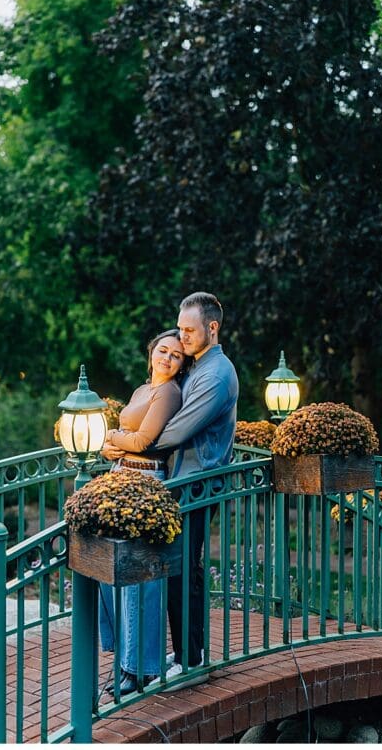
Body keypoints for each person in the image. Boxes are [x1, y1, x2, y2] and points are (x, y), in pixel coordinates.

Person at [150, 292, 239, 689]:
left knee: (182, 568)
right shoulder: (199, 367)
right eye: (180, 328)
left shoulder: (217, 374)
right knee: (184, 568)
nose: (182, 337)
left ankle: (190, 661)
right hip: (184, 483)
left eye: (189, 330)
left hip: (197, 485)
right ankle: (190, 652)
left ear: (212, 327)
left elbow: (179, 429)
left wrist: (136, 441)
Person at [99, 329, 191, 693]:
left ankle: (141, 667)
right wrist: (111, 447)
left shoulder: (169, 393)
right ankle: (124, 658)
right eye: (163, 351)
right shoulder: (142, 390)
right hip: (120, 477)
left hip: (146, 482)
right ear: (152, 351)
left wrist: (111, 439)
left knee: (140, 576)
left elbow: (142, 440)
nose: (166, 359)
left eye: (176, 356)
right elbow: (125, 438)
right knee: (110, 568)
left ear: (181, 365)